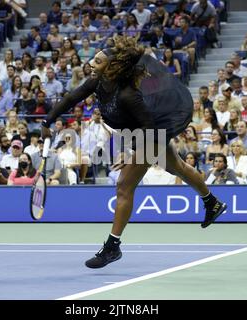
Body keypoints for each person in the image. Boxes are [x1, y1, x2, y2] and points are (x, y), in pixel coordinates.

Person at [40, 36, 227, 268]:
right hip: (141, 135)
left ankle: (112, 247)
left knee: (124, 186)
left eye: (97, 62)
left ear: (111, 67)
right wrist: (47, 122)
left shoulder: (128, 94)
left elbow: (149, 129)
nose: (91, 63)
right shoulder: (96, 82)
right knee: (176, 167)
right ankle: (212, 202)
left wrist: (130, 155)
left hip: (151, 133)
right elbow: (70, 98)